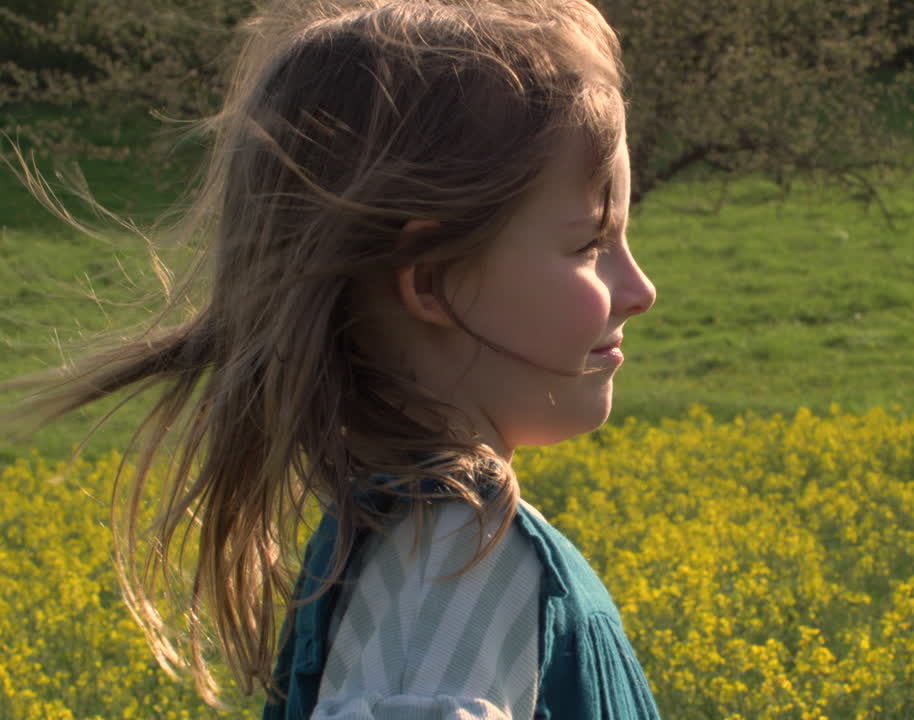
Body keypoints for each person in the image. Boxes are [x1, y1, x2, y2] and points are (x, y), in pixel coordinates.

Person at [5, 0, 660, 717]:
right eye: (591, 245)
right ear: (432, 281)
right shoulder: (452, 566)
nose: (640, 290)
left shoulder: (400, 541)